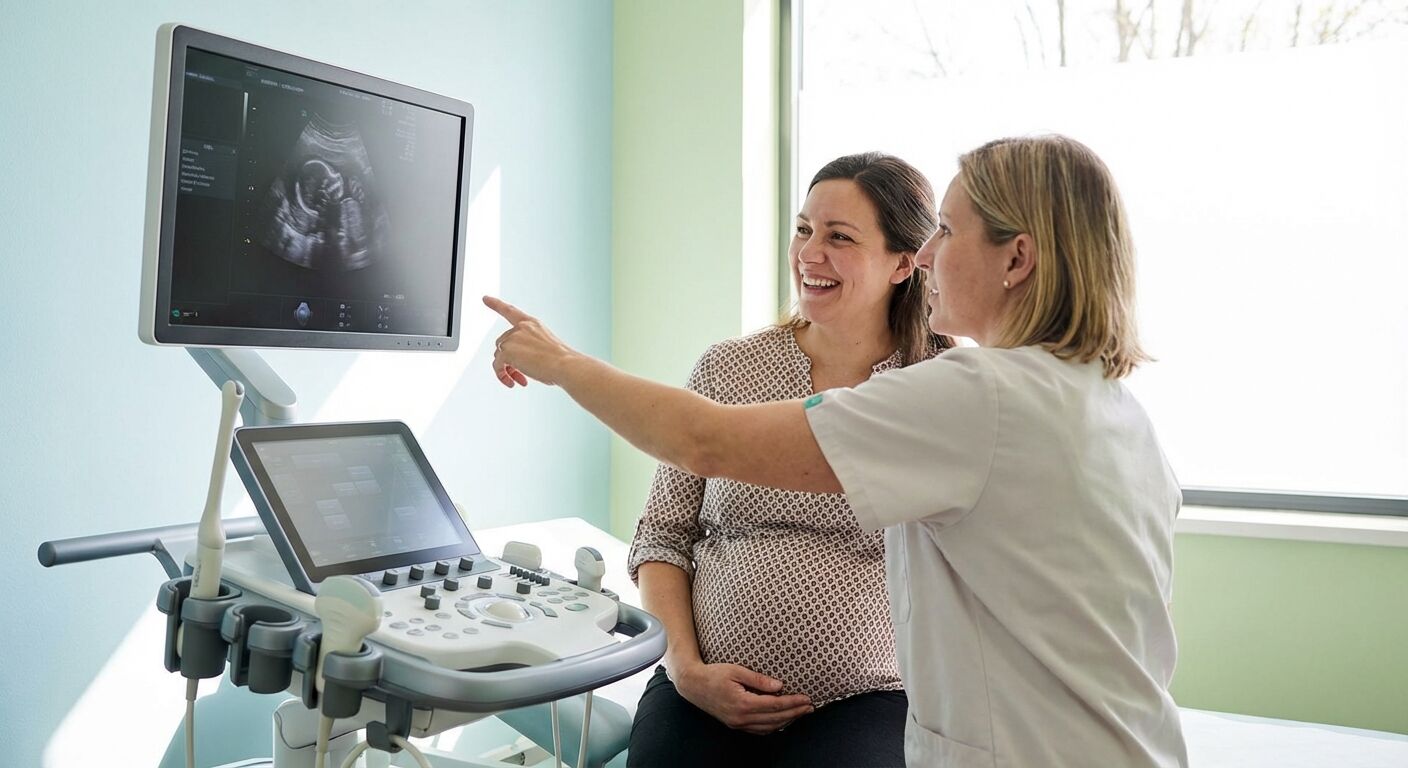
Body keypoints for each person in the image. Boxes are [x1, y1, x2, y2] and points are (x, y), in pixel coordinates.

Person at [485, 134, 1188, 767]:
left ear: (1018, 257)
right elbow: (671, 519)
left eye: (947, 229)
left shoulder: (976, 394)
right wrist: (688, 669)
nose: (932, 252)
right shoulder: (1114, 409)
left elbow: (704, 439)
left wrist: (558, 361)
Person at [625, 153, 951, 768]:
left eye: (839, 237)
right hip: (700, 690)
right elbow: (663, 536)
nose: (809, 253)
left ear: (904, 264)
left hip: (871, 696)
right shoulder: (729, 367)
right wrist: (687, 670)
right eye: (803, 229)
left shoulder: (936, 386)